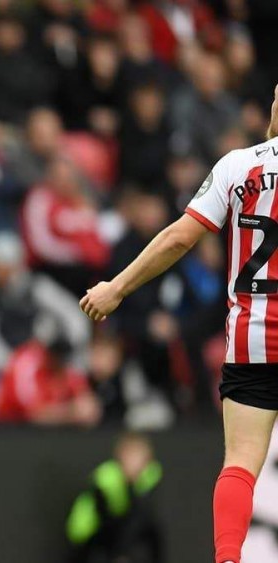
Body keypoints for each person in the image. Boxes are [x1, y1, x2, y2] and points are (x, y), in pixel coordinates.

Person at [81, 82, 278, 563]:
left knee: (240, 462)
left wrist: (117, 287)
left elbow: (177, 238)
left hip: (253, 339)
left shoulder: (238, 166)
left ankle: (227, 558)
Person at [65, 432, 163, 563]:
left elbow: (141, 514)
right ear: (120, 456)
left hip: (120, 530)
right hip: (88, 532)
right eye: (130, 457)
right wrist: (119, 555)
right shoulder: (105, 478)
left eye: (138, 458)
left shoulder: (148, 476)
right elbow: (105, 518)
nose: (134, 463)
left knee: (150, 528)